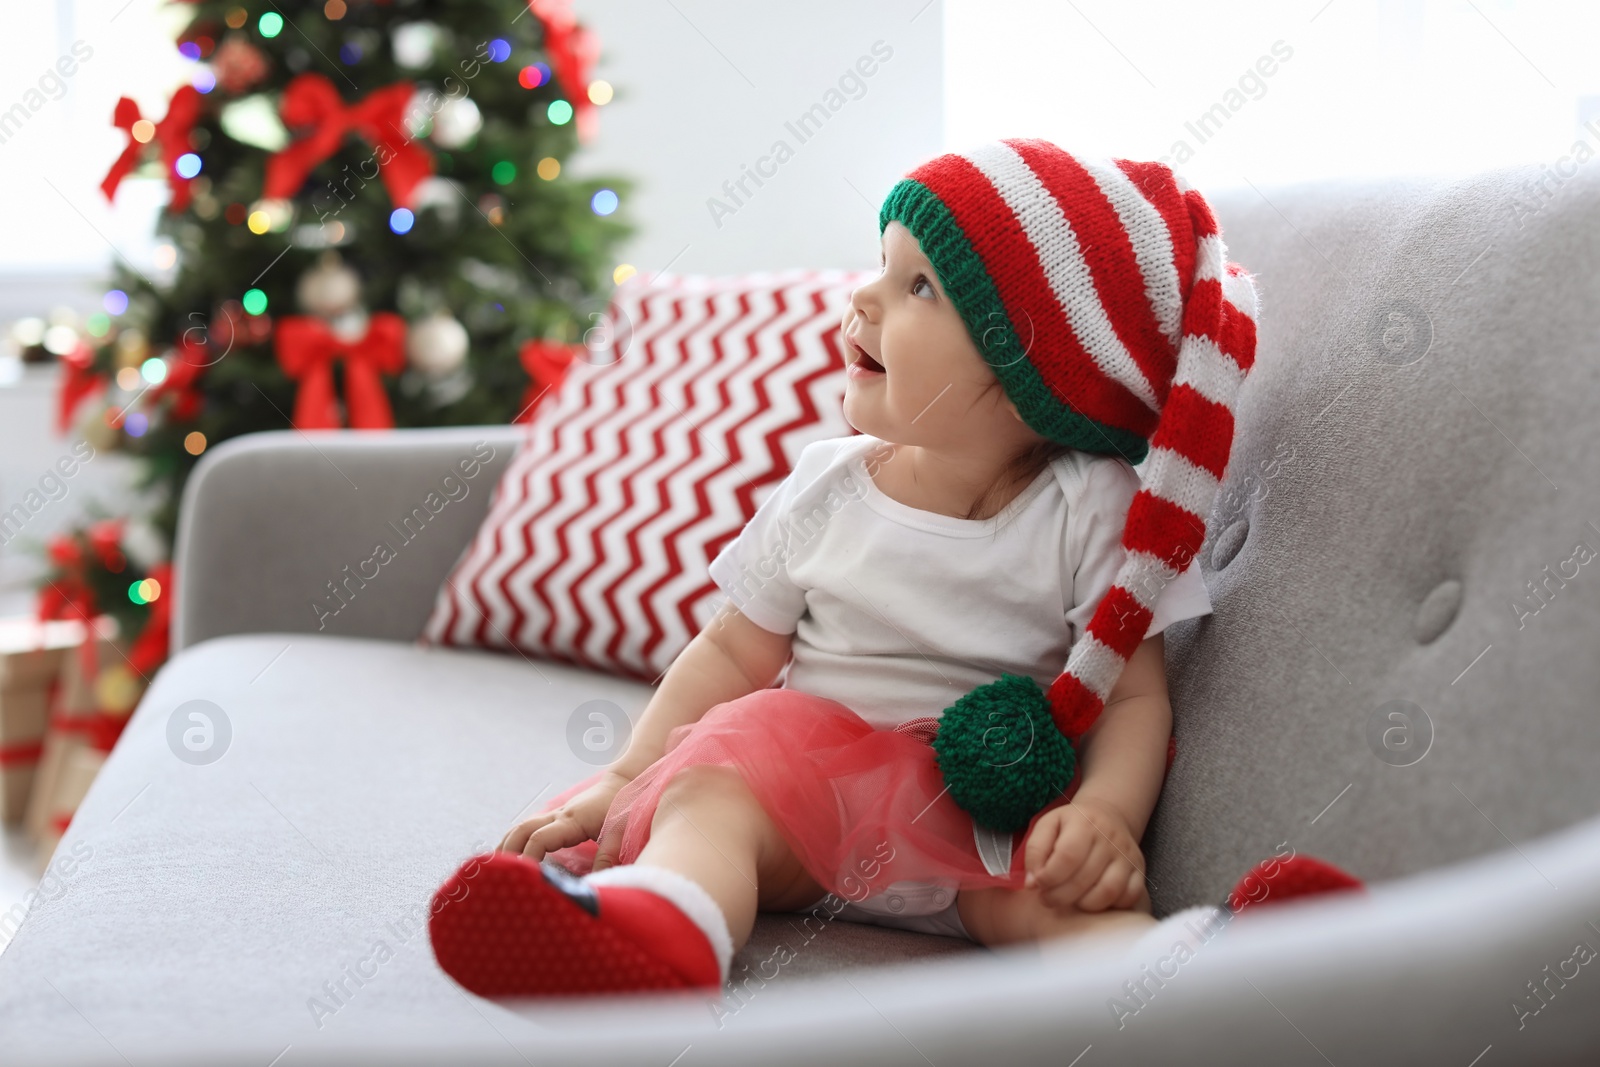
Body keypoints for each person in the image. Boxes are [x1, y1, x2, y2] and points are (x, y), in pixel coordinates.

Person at [427, 138, 1329, 999]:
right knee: (712, 789)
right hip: (801, 807)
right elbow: (732, 653)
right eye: (880, 266)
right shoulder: (829, 484)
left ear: (1033, 373)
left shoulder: (1091, 507)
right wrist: (625, 778)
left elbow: (1134, 697)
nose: (862, 300)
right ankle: (661, 928)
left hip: (979, 818)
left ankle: (1214, 977)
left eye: (918, 286)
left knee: (1061, 899)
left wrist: (1103, 818)